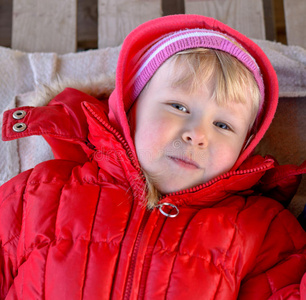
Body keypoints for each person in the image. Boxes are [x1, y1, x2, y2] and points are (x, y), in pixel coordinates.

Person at [0, 14, 305, 299]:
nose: (197, 134)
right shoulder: (39, 192)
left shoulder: (260, 229)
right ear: (128, 111)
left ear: (244, 148)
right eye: (178, 106)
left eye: (223, 125)